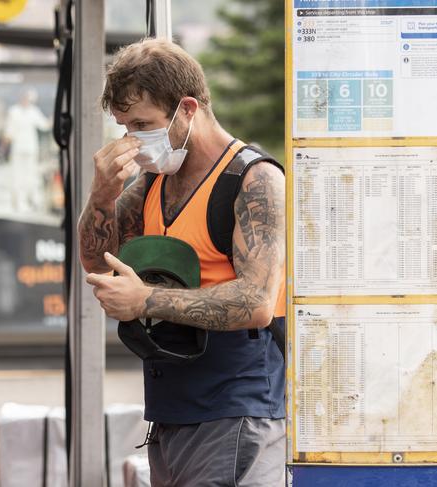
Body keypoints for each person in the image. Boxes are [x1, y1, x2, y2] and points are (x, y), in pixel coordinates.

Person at [77, 38, 286, 486]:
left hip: (235, 409)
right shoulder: (152, 184)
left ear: (187, 108)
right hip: (171, 408)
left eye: (142, 124)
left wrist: (146, 301)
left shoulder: (254, 179)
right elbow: (100, 265)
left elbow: (257, 301)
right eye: (123, 127)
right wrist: (100, 196)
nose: (132, 140)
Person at [4, 89, 51, 212]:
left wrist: (53, 119)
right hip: (18, 149)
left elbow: (44, 125)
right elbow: (9, 131)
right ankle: (19, 202)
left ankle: (29, 201)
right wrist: (4, 147)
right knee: (17, 176)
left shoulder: (34, 111)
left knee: (30, 176)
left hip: (30, 149)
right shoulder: (14, 111)